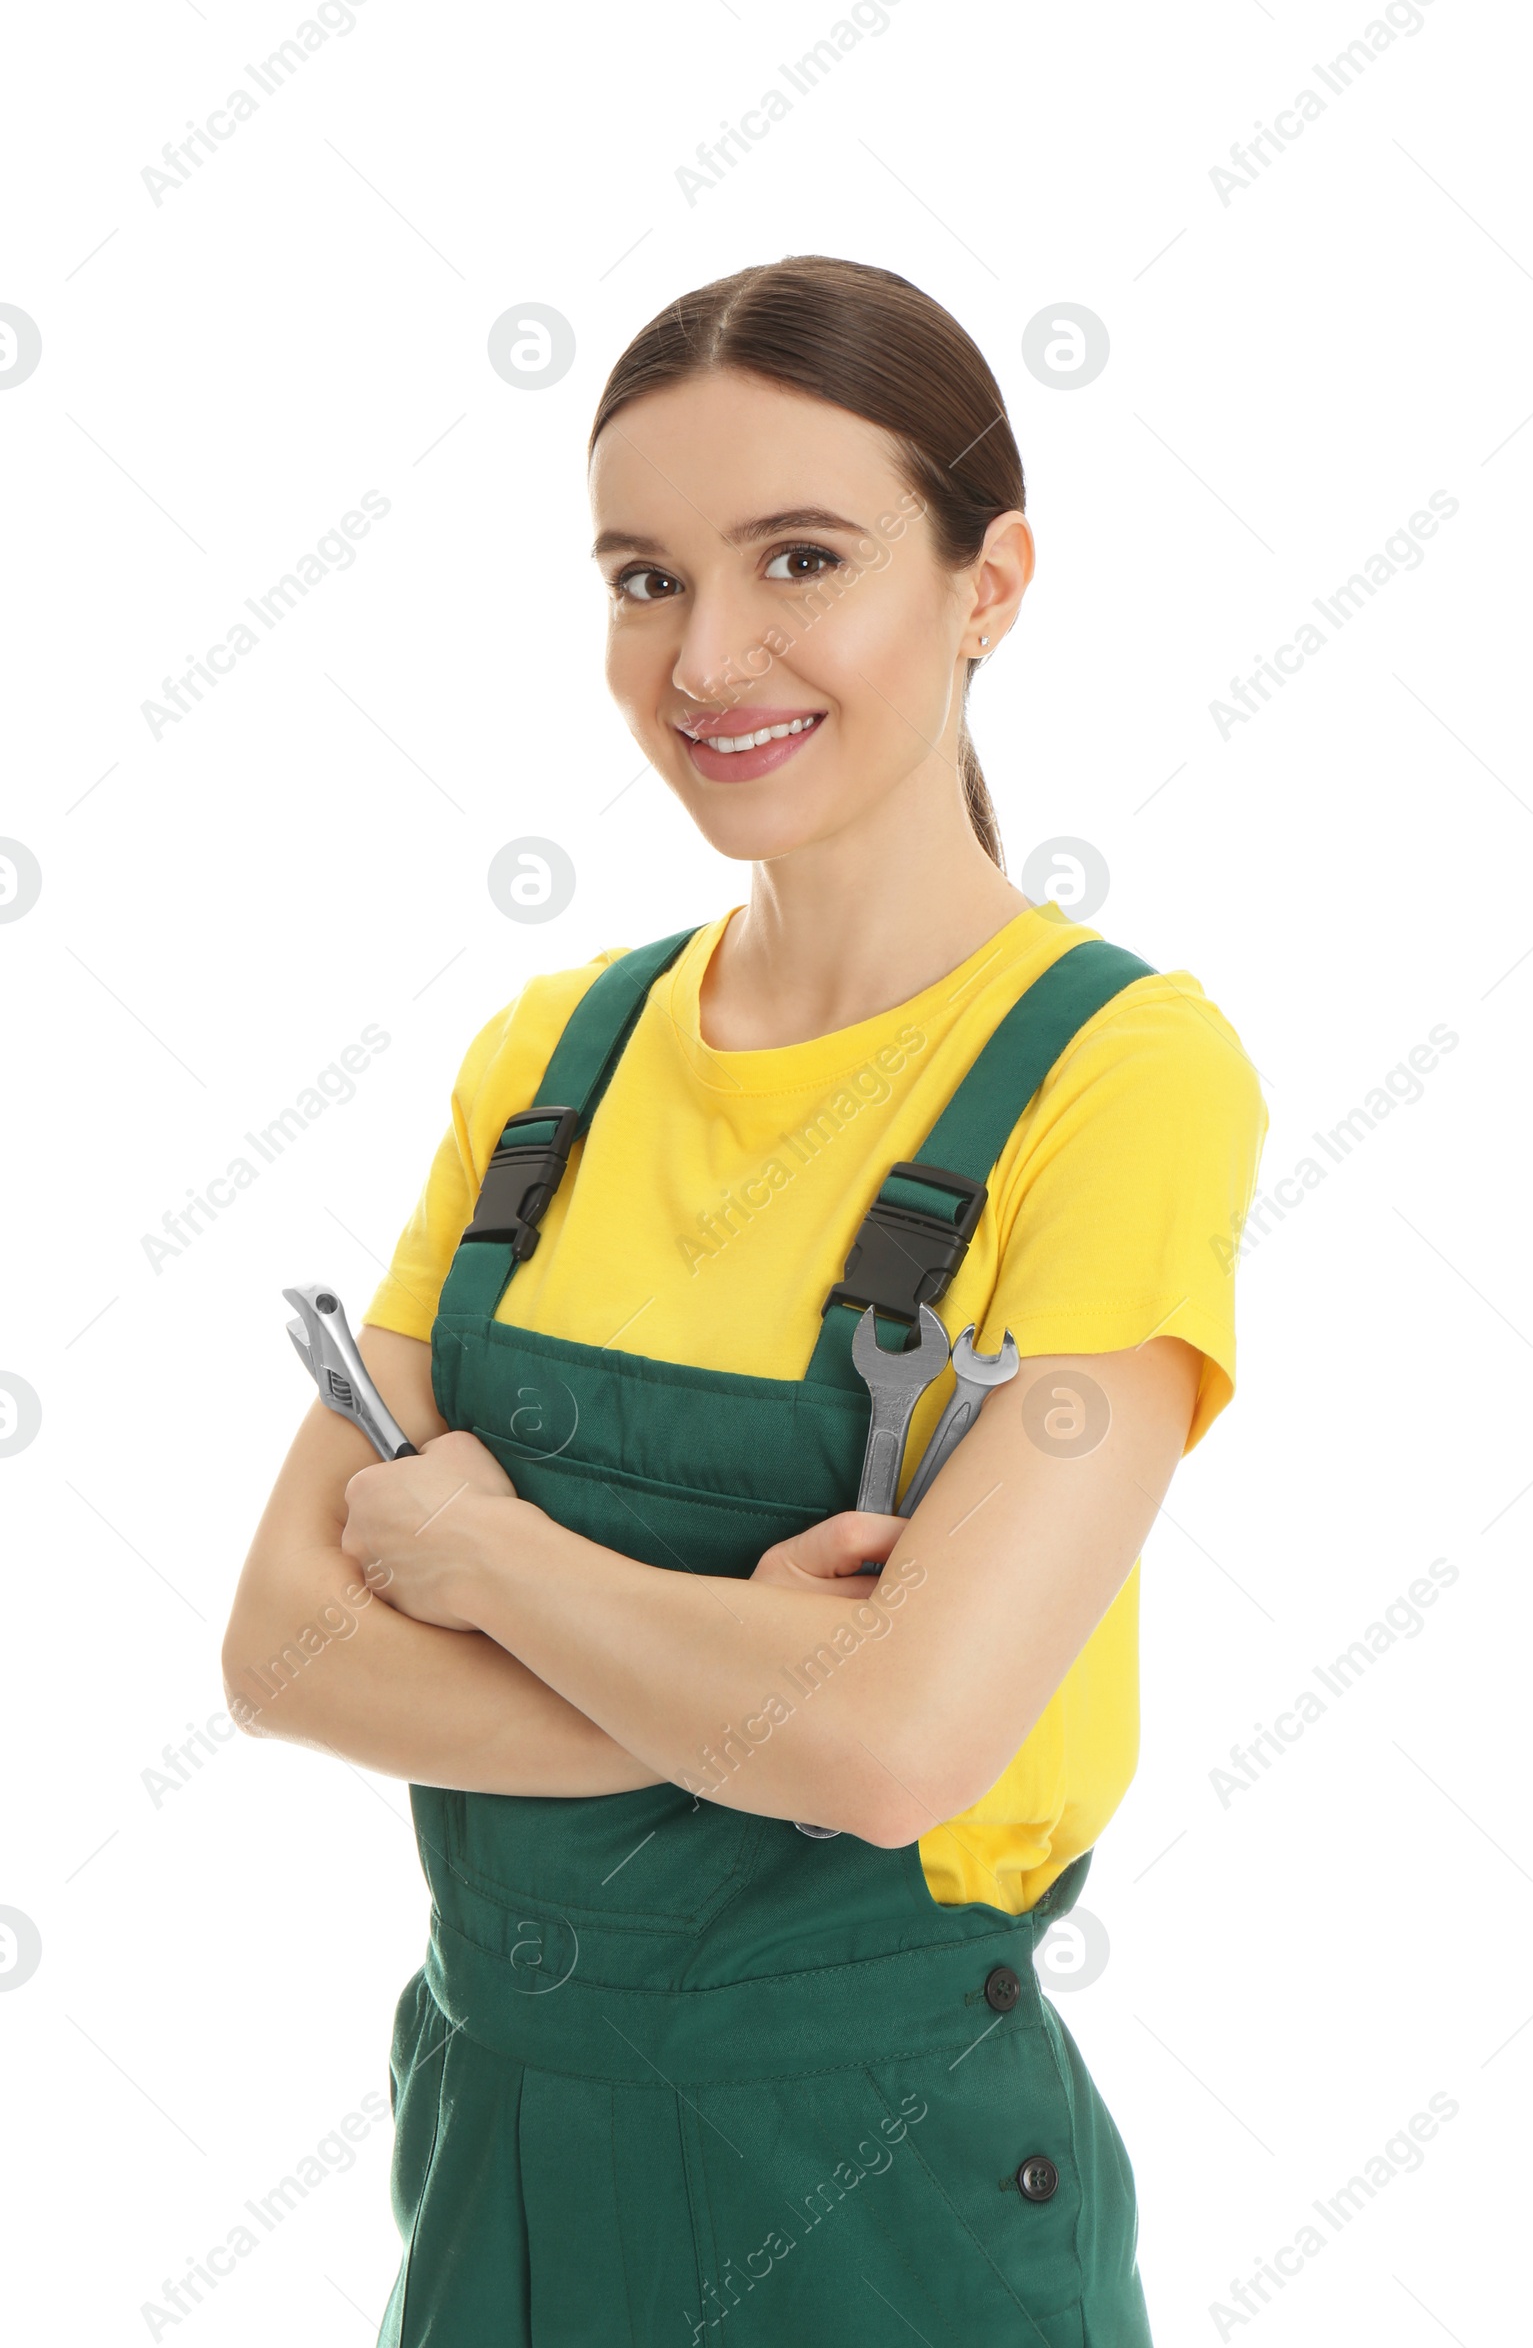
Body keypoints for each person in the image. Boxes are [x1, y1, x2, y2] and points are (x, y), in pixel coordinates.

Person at [223, 253, 1267, 2346]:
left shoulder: (1118, 1077)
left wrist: (481, 1552)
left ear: (985, 586)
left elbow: (895, 1755)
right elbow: (286, 1655)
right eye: (639, 576)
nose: (706, 656)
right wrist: (741, 1692)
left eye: (801, 558)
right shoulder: (552, 1061)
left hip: (877, 2194)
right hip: (503, 2159)